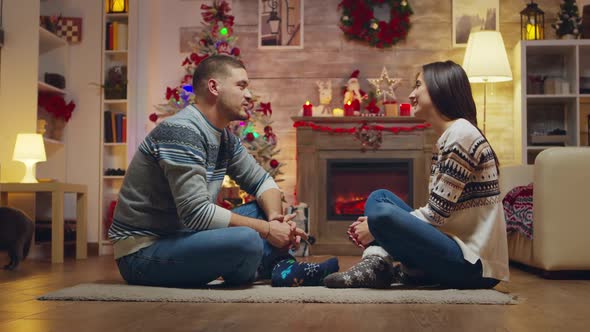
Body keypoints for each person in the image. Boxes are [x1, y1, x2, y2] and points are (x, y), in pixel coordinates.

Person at [109, 55, 338, 288]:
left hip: (184, 236)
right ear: (214, 87)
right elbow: (196, 213)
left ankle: (280, 267)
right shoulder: (181, 131)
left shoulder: (225, 138)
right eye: (241, 86)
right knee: (247, 239)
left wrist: (275, 220)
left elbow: (263, 182)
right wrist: (268, 231)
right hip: (142, 252)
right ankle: (268, 266)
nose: (249, 96)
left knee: (263, 208)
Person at [324, 61, 509, 289]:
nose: (411, 94)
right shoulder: (450, 137)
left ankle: (377, 264)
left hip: (475, 266)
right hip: (456, 250)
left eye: (418, 85)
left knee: (381, 214)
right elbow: (438, 218)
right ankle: (382, 264)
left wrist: (376, 227)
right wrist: (381, 226)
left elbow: (436, 216)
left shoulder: (461, 136)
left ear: (440, 87)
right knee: (378, 198)